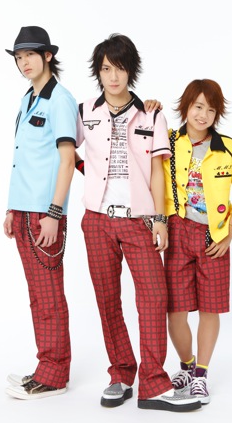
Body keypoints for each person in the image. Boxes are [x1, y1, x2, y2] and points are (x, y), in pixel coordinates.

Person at [74, 33, 201, 412]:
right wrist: (91, 176)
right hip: (97, 221)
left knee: (154, 298)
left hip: (140, 222)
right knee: (107, 300)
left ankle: (153, 383)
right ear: (98, 72)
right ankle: (120, 374)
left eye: (120, 68)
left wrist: (160, 218)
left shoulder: (152, 114)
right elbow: (64, 152)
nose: (113, 77)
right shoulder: (84, 112)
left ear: (131, 71)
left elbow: (159, 170)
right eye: (106, 69)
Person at [162, 79, 232, 404]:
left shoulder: (226, 147)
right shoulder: (169, 141)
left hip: (213, 237)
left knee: (209, 308)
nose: (203, 115)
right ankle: (186, 366)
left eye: (211, 110)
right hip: (177, 232)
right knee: (175, 310)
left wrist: (230, 233)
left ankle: (201, 375)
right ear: (186, 107)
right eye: (198, 106)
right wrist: (149, 107)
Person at [2, 26, 78, 400]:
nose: (24, 63)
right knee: (37, 295)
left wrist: (54, 212)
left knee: (49, 295)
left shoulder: (60, 100)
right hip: (23, 210)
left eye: (30, 55)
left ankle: (54, 375)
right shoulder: (27, 98)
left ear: (48, 56)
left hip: (44, 214)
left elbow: (68, 160)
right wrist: (10, 207)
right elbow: (24, 158)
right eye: (19, 57)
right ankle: (45, 366)